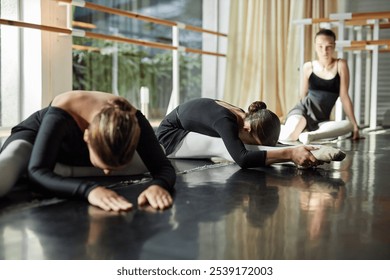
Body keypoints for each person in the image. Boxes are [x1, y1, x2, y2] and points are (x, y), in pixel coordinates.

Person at [0, 90, 176, 212]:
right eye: (105, 166)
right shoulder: (63, 110)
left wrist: (158, 186)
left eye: (113, 167)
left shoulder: (133, 119)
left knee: (155, 153)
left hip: (74, 157)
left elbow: (163, 166)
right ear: (86, 138)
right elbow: (37, 173)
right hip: (37, 139)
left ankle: (60, 171)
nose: (107, 173)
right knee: (11, 163)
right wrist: (89, 190)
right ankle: (56, 169)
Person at [156, 98, 345, 169]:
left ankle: (305, 150)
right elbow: (243, 159)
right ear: (247, 128)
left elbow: (259, 142)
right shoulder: (226, 122)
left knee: (240, 144)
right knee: (225, 148)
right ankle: (294, 154)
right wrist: (289, 154)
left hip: (189, 130)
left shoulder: (246, 118)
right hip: (170, 138)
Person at [279, 29, 360, 144]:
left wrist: (355, 126)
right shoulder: (308, 67)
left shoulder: (341, 65)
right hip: (303, 111)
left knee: (348, 125)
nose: (324, 51)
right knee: (290, 135)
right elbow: (303, 96)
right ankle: (286, 129)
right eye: (320, 46)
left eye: (329, 46)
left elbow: (344, 96)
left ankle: (309, 134)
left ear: (334, 46)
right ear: (315, 46)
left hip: (322, 119)